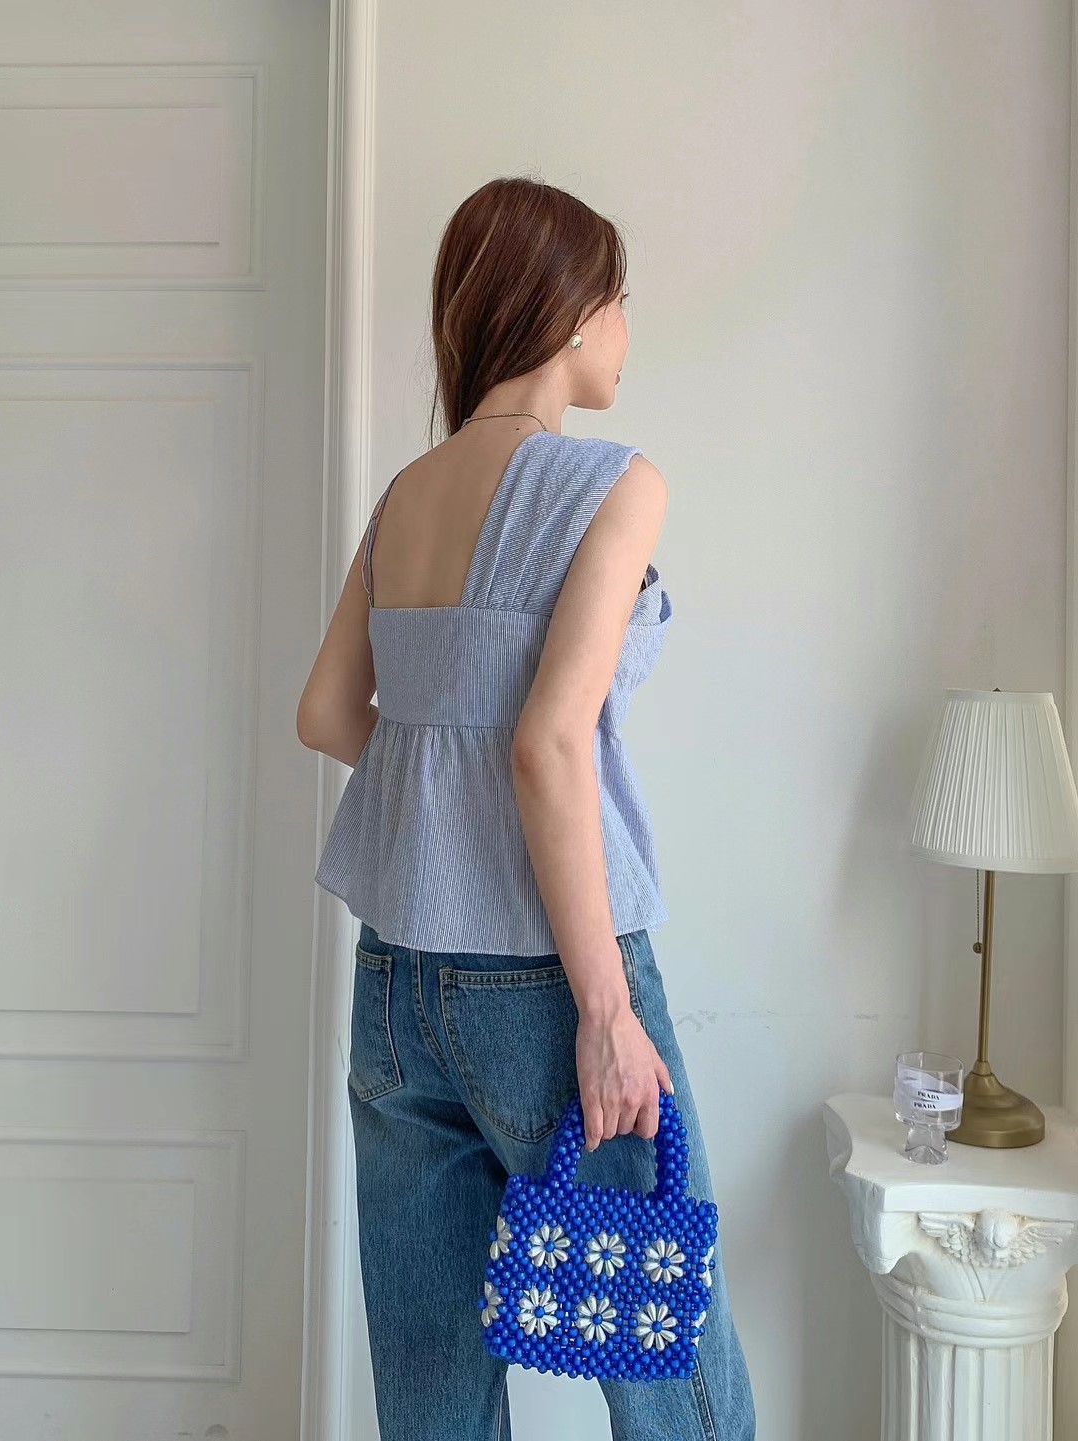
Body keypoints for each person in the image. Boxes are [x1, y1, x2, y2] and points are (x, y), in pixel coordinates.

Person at [297, 175, 755, 1441]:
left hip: (395, 984)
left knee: (433, 1400)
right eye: (620, 298)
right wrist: (605, 1012)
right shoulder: (614, 484)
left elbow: (327, 713)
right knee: (674, 1376)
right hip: (554, 980)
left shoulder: (406, 495)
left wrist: (438, 800)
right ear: (571, 312)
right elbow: (548, 746)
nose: (627, 326)